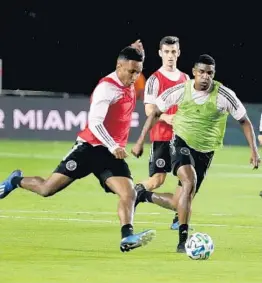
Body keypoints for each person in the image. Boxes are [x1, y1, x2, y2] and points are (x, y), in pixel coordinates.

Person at [0, 41, 156, 253]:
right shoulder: (107, 89)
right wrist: (112, 145)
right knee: (47, 189)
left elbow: (132, 61)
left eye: (138, 72)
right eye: (131, 72)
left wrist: (139, 52)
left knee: (129, 193)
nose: (135, 77)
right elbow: (95, 123)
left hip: (109, 155)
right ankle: (15, 181)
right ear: (118, 67)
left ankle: (127, 237)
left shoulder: (129, 81)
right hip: (89, 149)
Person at [131, 54, 260, 253]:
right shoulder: (181, 90)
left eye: (210, 73)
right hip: (181, 141)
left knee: (179, 202)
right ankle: (183, 242)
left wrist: (254, 151)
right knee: (189, 181)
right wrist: (140, 141)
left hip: (206, 152)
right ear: (194, 72)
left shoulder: (224, 95)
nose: (205, 77)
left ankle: (142, 194)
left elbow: (244, 121)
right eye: (201, 72)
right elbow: (155, 112)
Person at [134, 36, 190, 230]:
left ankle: (178, 217)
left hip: (182, 138)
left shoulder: (185, 79)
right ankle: (136, 193)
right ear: (160, 54)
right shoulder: (154, 80)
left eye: (173, 52)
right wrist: (167, 118)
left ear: (179, 53)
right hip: (162, 137)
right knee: (158, 180)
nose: (170, 56)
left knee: (188, 180)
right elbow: (149, 109)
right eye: (166, 52)